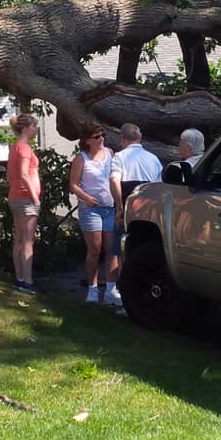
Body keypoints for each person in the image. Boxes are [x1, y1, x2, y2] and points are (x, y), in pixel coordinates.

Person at [69, 123, 116, 305]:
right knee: (95, 249)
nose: (102, 139)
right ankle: (93, 288)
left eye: (102, 135)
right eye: (97, 137)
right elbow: (73, 184)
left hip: (110, 207)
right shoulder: (82, 159)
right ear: (87, 140)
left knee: (112, 249)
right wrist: (86, 197)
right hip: (91, 210)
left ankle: (112, 289)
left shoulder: (110, 154)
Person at [110, 123, 163, 283]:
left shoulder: (120, 157)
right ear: (140, 138)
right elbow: (160, 187)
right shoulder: (153, 159)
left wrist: (119, 207)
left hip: (127, 209)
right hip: (149, 214)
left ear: (122, 139)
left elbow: (114, 181)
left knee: (120, 252)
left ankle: (119, 289)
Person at [6, 113, 41, 293]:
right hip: (26, 199)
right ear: (27, 128)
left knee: (19, 239)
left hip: (15, 197)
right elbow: (23, 174)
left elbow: (9, 175)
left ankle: (19, 278)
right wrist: (34, 196)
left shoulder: (15, 147)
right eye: (35, 126)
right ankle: (27, 281)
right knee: (28, 241)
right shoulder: (25, 148)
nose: (36, 129)